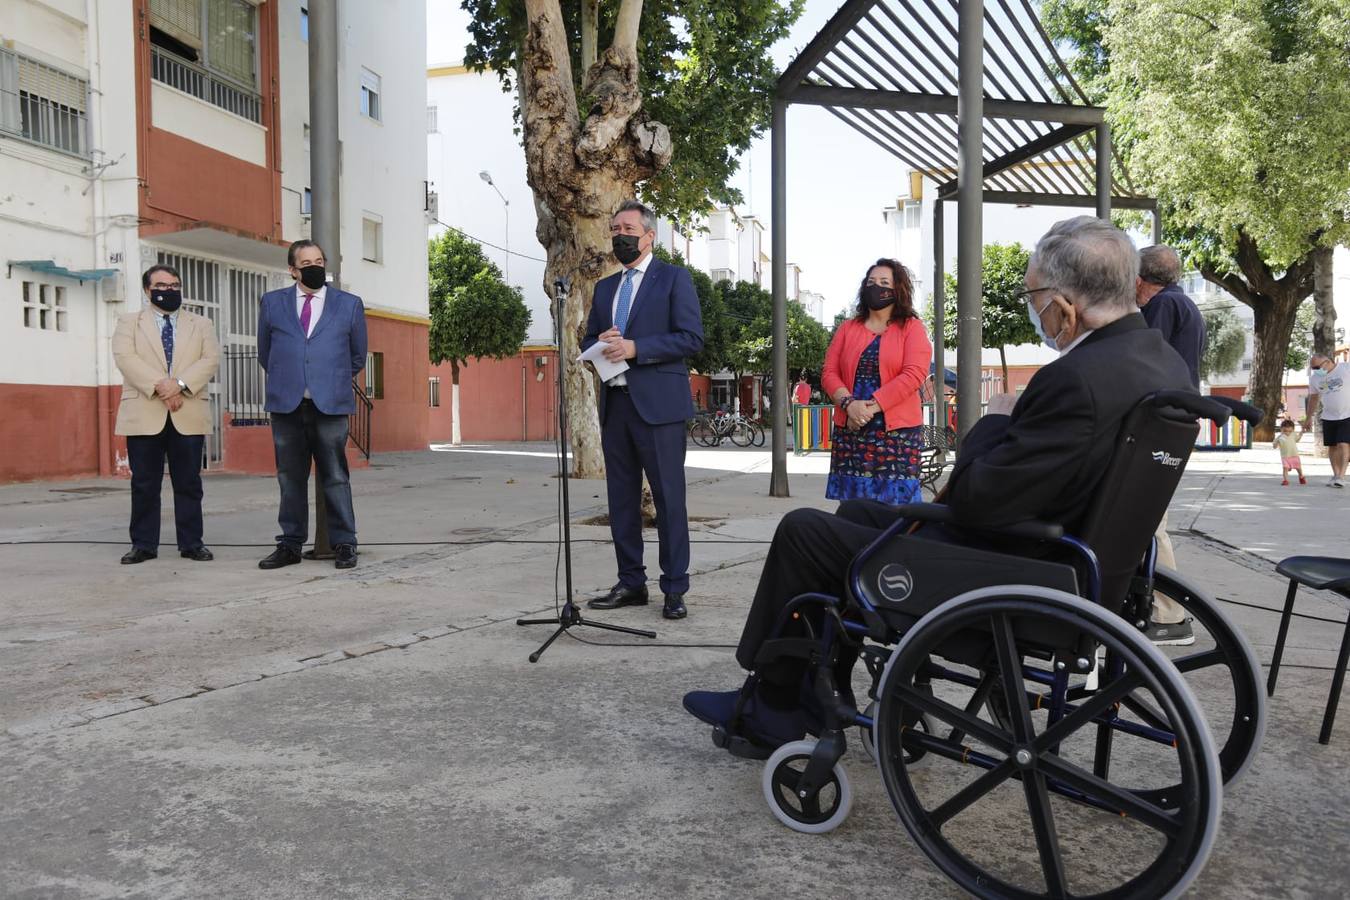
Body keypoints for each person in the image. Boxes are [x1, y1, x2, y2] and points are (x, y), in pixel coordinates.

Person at [684, 215, 1194, 748]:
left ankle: (774, 704)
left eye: (1033, 295)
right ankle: (822, 682)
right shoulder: (1160, 362)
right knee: (858, 514)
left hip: (1020, 568)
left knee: (804, 533)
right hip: (1078, 558)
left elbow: (979, 500)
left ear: (1066, 303)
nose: (1034, 309)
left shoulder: (1077, 379)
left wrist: (994, 424)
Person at [582, 200, 705, 620]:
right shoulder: (604, 289)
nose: (620, 234)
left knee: (669, 500)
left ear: (649, 236)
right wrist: (599, 342)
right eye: (615, 227)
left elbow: (691, 338)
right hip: (615, 406)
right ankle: (631, 582)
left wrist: (637, 348)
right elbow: (586, 343)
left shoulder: (673, 279)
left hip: (660, 409)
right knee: (621, 500)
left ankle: (674, 588)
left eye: (628, 228)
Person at [256, 240, 368, 571]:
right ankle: (290, 544)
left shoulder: (348, 304)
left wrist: (327, 379)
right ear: (293, 270)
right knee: (290, 477)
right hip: (286, 405)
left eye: (319, 260)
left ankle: (345, 542)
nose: (315, 266)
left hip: (330, 405)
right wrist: (293, 378)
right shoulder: (272, 303)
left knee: (335, 476)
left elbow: (357, 355)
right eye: (306, 262)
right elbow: (267, 353)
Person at [112, 265, 221, 564]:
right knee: (145, 483)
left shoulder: (201, 323)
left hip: (187, 410)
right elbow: (125, 358)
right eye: (162, 285)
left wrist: (180, 386)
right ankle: (144, 545)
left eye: (175, 285)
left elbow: (210, 359)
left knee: (188, 483)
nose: (169, 290)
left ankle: (192, 543)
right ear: (148, 290)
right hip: (144, 412)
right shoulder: (129, 322)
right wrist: (162, 388)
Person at [1135, 244, 1207, 645]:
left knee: (1148, 520)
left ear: (1142, 280)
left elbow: (1143, 360)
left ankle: (1168, 613)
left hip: (1161, 421)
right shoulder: (1186, 305)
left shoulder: (1162, 307)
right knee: (1150, 518)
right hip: (1176, 420)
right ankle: (1162, 608)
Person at [821, 259, 932, 503]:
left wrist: (866, 409)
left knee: (895, 510)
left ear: (898, 289)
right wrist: (850, 405)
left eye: (884, 282)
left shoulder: (912, 328)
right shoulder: (847, 328)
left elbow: (913, 375)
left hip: (897, 435)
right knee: (853, 509)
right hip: (851, 431)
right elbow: (829, 372)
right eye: (871, 282)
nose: (876, 287)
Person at [1309, 353, 1350, 487]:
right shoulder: (1315, 379)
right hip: (1328, 416)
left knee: (1343, 444)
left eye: (1316, 367)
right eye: (1313, 368)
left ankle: (1342, 476)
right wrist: (1308, 418)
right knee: (1332, 446)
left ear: (1327, 362)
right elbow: (1313, 399)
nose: (1315, 370)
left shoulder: (1345, 368)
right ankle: (1336, 474)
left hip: (1347, 414)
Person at [1273, 419, 1306, 486]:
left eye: (1290, 431)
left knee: (1298, 468)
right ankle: (1285, 480)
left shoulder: (1293, 435)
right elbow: (1274, 446)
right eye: (1285, 431)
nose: (1287, 432)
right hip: (1285, 456)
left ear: (1293, 430)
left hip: (1294, 455)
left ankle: (1301, 476)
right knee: (1285, 468)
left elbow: (1297, 439)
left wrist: (1301, 433)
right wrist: (1276, 444)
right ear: (1281, 429)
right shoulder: (1280, 437)